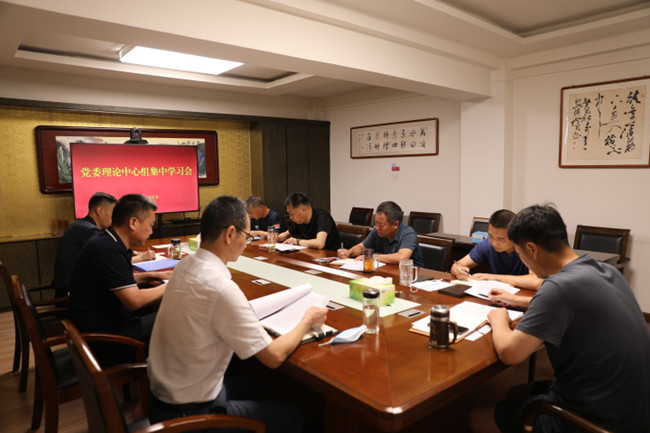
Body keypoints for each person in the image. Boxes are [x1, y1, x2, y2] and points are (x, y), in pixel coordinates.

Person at [147, 195, 327, 433]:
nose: (246, 242)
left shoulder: (185, 266)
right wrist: (307, 320)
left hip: (162, 397)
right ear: (230, 234)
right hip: (190, 415)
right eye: (247, 235)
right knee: (292, 415)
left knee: (260, 387)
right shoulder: (220, 287)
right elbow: (273, 357)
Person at [470, 204, 650, 433]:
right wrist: (515, 300)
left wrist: (498, 319)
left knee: (477, 416)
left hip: (599, 420)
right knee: (516, 392)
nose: (523, 261)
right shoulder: (605, 271)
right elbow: (574, 305)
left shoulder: (558, 288)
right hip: (635, 408)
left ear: (532, 249)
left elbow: (509, 353)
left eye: (520, 254)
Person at [68, 194, 170, 353]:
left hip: (106, 322)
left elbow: (118, 280)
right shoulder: (108, 249)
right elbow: (134, 300)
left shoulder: (107, 240)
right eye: (150, 225)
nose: (151, 231)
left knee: (166, 306)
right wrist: (173, 284)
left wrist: (153, 276)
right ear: (133, 223)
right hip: (104, 338)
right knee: (174, 316)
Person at [451, 209, 542, 290]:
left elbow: (537, 281)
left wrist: (494, 278)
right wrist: (458, 269)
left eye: (500, 239)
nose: (494, 243)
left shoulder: (528, 248)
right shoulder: (487, 245)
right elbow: (458, 264)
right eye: (490, 236)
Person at [51, 192, 117, 299]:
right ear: (100, 211)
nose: (115, 218)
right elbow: (110, 260)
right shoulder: (89, 231)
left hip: (73, 289)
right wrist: (141, 258)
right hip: (71, 296)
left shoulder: (81, 225)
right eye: (113, 213)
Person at [338, 201, 424, 267]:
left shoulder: (408, 233)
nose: (377, 228)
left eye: (381, 225)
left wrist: (372, 257)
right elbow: (361, 247)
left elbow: (402, 257)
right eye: (375, 224)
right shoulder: (377, 231)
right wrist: (349, 252)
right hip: (388, 272)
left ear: (395, 224)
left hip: (412, 277)